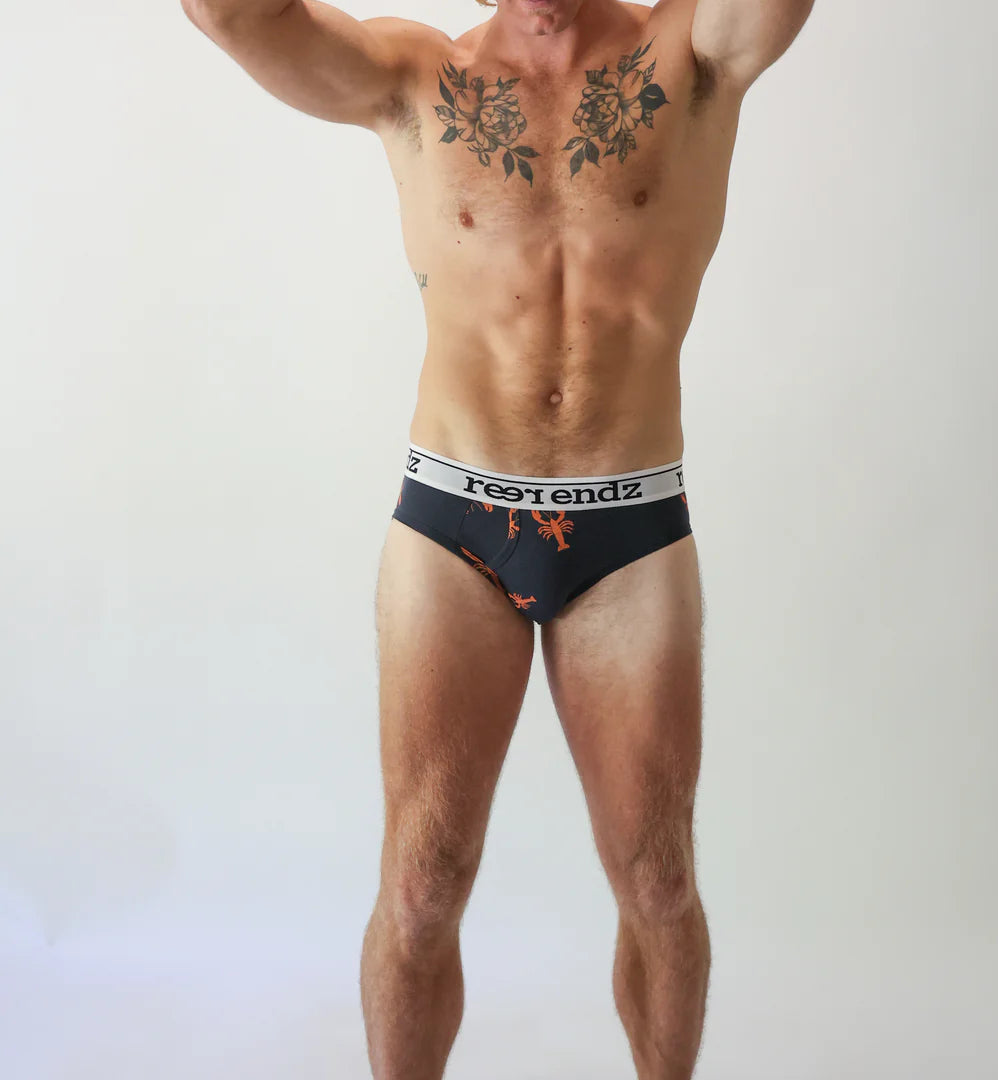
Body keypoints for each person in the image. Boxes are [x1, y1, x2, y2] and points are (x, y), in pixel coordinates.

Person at [180, 0, 814, 1075]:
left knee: (659, 880)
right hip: (453, 525)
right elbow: (230, 16)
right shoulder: (415, 79)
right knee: (421, 883)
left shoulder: (689, 54)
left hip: (629, 525)